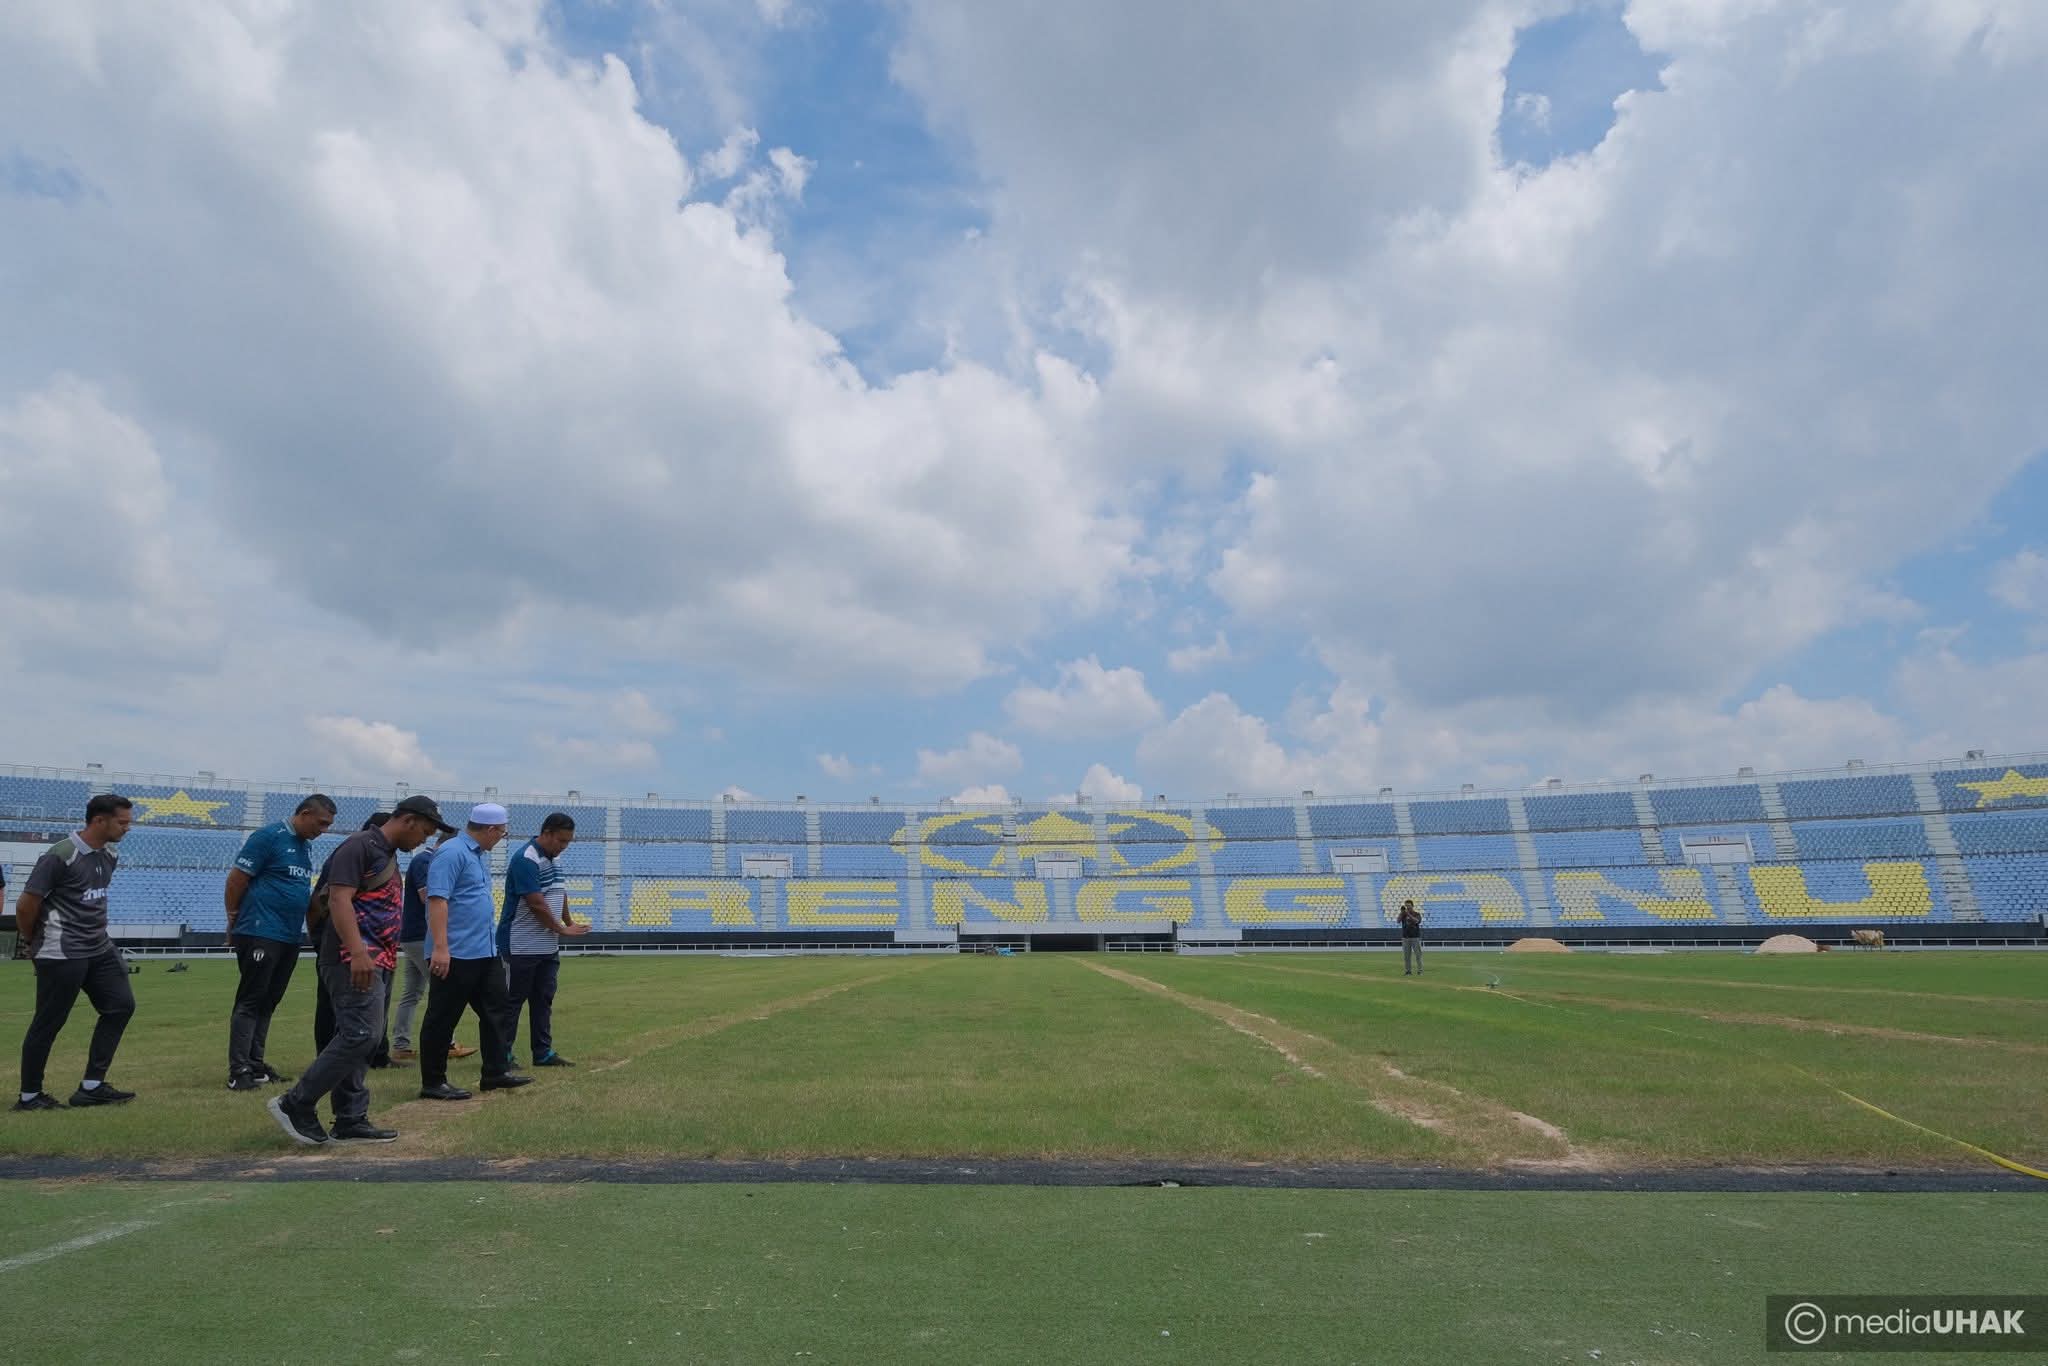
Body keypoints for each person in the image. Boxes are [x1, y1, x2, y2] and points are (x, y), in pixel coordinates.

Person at [267, 796, 453, 1146]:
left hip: (376, 957)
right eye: (424, 832)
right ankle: (296, 1103)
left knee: (364, 1038)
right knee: (360, 1034)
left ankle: (350, 1118)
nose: (423, 841)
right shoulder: (360, 846)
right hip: (353, 957)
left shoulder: (384, 852)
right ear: (409, 821)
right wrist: (357, 951)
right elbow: (339, 899)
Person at [14, 794, 138, 1112]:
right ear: (99, 820)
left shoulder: (110, 855)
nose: (128, 828)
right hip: (61, 949)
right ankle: (30, 1096)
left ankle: (92, 1087)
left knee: (121, 1006)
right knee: (49, 1021)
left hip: (99, 946)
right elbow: (26, 905)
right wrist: (33, 941)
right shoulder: (60, 855)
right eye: (122, 822)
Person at [418, 804, 530, 1101]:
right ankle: (433, 1081)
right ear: (490, 829)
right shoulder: (452, 853)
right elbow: (437, 900)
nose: (501, 839)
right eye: (502, 833)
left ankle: (495, 1072)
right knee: (443, 1016)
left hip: (483, 951)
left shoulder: (477, 856)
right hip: (456, 952)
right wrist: (441, 948)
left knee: (497, 1009)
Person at [224, 794, 337, 1090]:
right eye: (321, 823)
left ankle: (256, 1063)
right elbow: (237, 878)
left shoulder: (304, 846)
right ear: (304, 813)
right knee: (251, 999)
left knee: (269, 1000)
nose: (323, 830)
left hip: (288, 934)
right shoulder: (268, 837)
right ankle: (239, 1070)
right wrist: (233, 917)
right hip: (261, 930)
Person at [497, 812, 590, 1068]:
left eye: (568, 841)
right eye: (561, 840)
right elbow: (536, 903)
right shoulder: (526, 859)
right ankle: (502, 1054)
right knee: (512, 1002)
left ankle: (542, 1052)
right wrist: (562, 929)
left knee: (543, 1000)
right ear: (547, 833)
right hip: (520, 945)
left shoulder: (554, 858)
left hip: (546, 946)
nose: (564, 846)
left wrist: (568, 921)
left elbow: (559, 892)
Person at [388, 833, 476, 1063]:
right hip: (421, 935)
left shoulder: (425, 860)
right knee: (444, 989)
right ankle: (446, 1043)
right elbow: (427, 896)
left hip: (414, 934)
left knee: (412, 993)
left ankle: (401, 1044)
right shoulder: (426, 861)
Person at [1398, 898, 1424, 976]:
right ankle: (1408, 971)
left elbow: (1416, 921)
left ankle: (1420, 971)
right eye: (1406, 906)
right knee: (1406, 956)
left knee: (1418, 955)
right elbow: (1398, 921)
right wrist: (1401, 913)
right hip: (1405, 937)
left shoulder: (1417, 914)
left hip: (1415, 937)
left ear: (1412, 906)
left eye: (1409, 906)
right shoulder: (1403, 915)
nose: (1407, 907)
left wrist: (1408, 914)